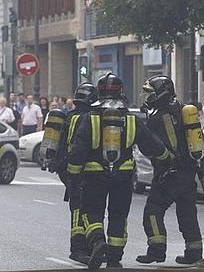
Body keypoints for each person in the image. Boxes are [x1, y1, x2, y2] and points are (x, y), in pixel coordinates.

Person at [67, 73, 171, 269]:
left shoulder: (89, 118)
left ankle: (98, 242)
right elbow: (152, 145)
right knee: (119, 215)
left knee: (91, 212)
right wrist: (167, 159)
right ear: (121, 92)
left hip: (93, 175)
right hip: (123, 176)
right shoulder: (131, 119)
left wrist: (73, 175)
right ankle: (114, 256)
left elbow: (78, 150)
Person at [136, 75, 204, 265]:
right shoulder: (182, 110)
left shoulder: (159, 118)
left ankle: (156, 251)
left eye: (151, 94)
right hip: (188, 172)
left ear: (161, 94)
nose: (148, 98)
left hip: (169, 174)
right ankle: (194, 252)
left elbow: (152, 147)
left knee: (152, 211)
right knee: (187, 212)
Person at [49, 83, 98, 265]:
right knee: (80, 207)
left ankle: (86, 246)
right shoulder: (89, 118)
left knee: (80, 206)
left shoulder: (69, 116)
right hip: (78, 169)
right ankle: (78, 249)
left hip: (66, 168)